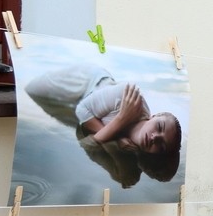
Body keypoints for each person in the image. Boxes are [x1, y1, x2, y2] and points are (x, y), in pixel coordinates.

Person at [24, 65, 183, 188]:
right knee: (30, 90)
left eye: (161, 145)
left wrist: (116, 138)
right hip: (86, 82)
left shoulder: (133, 158)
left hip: (85, 108)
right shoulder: (127, 97)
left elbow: (84, 148)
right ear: (153, 116)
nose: (155, 137)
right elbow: (82, 110)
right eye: (159, 126)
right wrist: (120, 122)